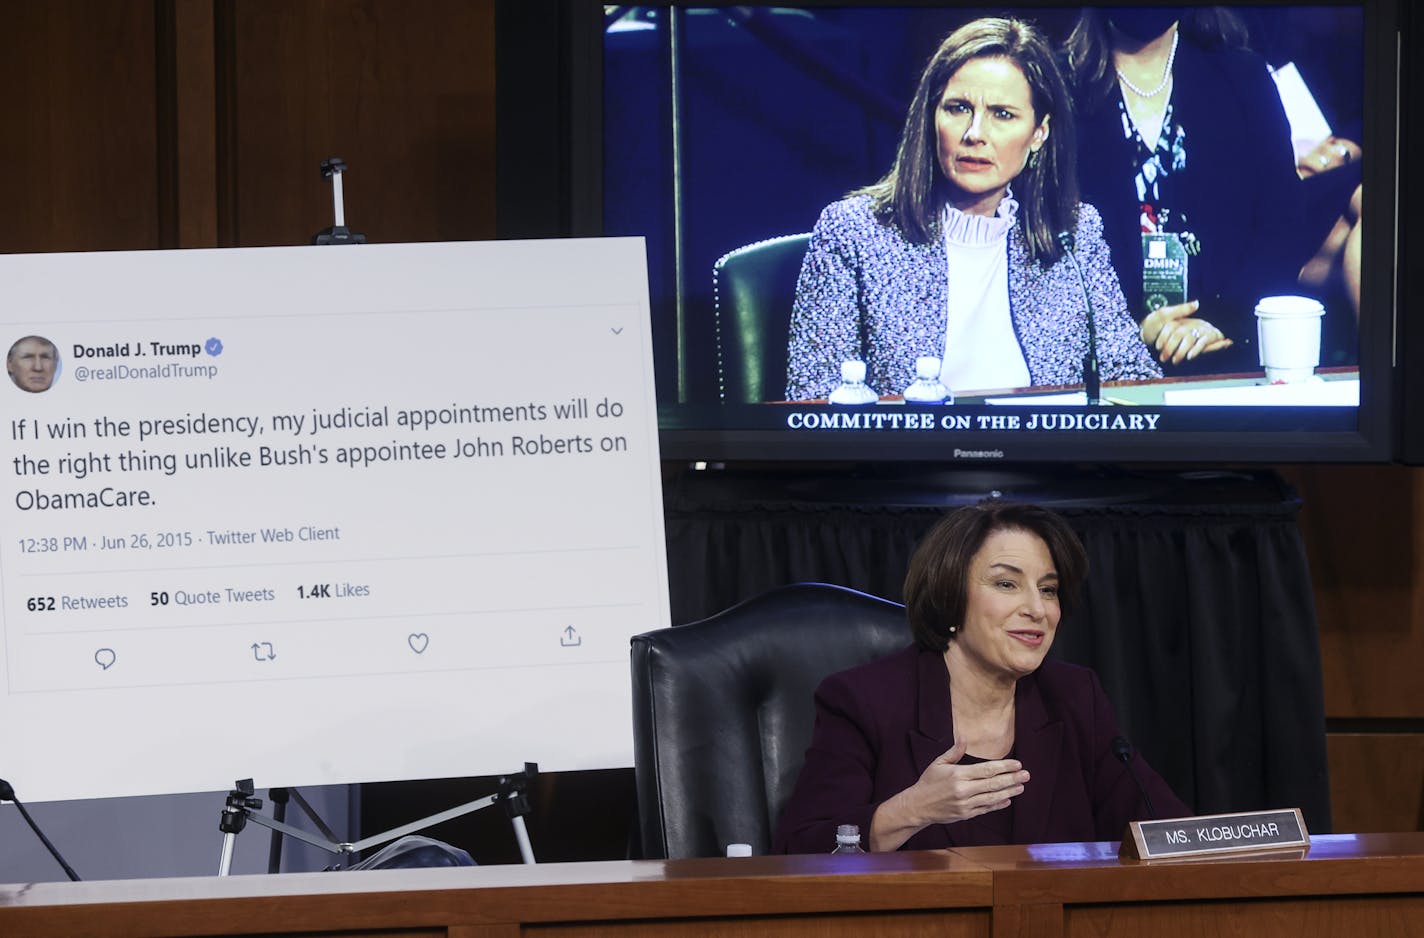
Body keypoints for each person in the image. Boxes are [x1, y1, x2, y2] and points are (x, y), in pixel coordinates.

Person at [773, 501, 1189, 853]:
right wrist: (911, 810)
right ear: (950, 597)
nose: (1037, 609)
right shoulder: (865, 701)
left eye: (1048, 589)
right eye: (1007, 584)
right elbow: (801, 849)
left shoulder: (1074, 696)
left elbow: (1166, 832)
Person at [784, 17, 1161, 402]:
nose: (975, 133)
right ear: (931, 118)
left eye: (1002, 114)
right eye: (958, 108)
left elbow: (1130, 381)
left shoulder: (1073, 233)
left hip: (1046, 457)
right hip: (905, 459)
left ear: (1039, 133)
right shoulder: (855, 232)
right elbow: (812, 399)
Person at [1065, 8, 1327, 373]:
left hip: (1227, 339)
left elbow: (1282, 221)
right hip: (1105, 355)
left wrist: (1223, 319)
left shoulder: (1241, 76)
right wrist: (1123, 335)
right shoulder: (1060, 85)